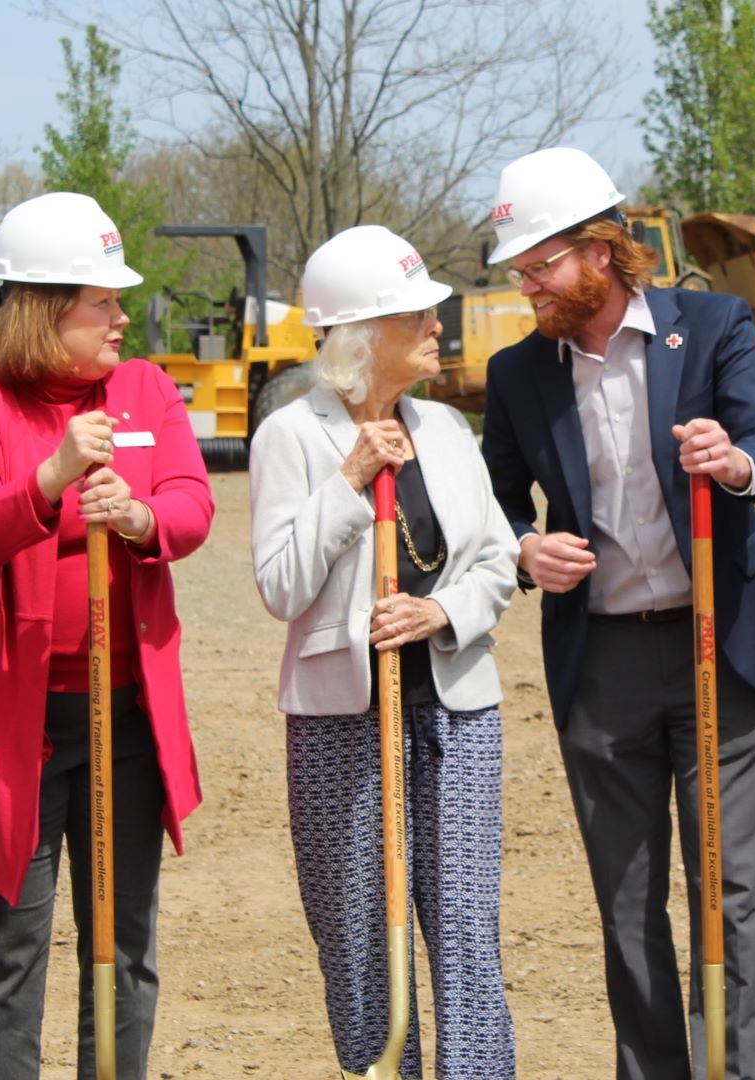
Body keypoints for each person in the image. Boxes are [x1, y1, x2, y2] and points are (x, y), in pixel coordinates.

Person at [480, 147, 755, 1080]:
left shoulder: (709, 327)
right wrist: (524, 550)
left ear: (604, 251)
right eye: (521, 270)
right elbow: (492, 506)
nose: (529, 285)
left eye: (542, 265)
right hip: (603, 668)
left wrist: (734, 461)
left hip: (720, 648)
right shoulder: (517, 375)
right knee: (625, 900)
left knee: (728, 890)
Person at [0, 191, 214, 1079]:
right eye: (104, 303)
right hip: (16, 726)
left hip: (124, 715)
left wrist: (136, 515)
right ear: (46, 310)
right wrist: (49, 477)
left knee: (121, 945)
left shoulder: (146, 388)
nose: (123, 317)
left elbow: (193, 505)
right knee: (11, 948)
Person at [249, 225, 520, 1080]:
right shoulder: (289, 438)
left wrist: (439, 612)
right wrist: (349, 483)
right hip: (341, 722)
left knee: (467, 933)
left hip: (458, 715)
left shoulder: (445, 427)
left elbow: (498, 560)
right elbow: (282, 588)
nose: (440, 324)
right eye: (420, 314)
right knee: (362, 937)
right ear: (364, 334)